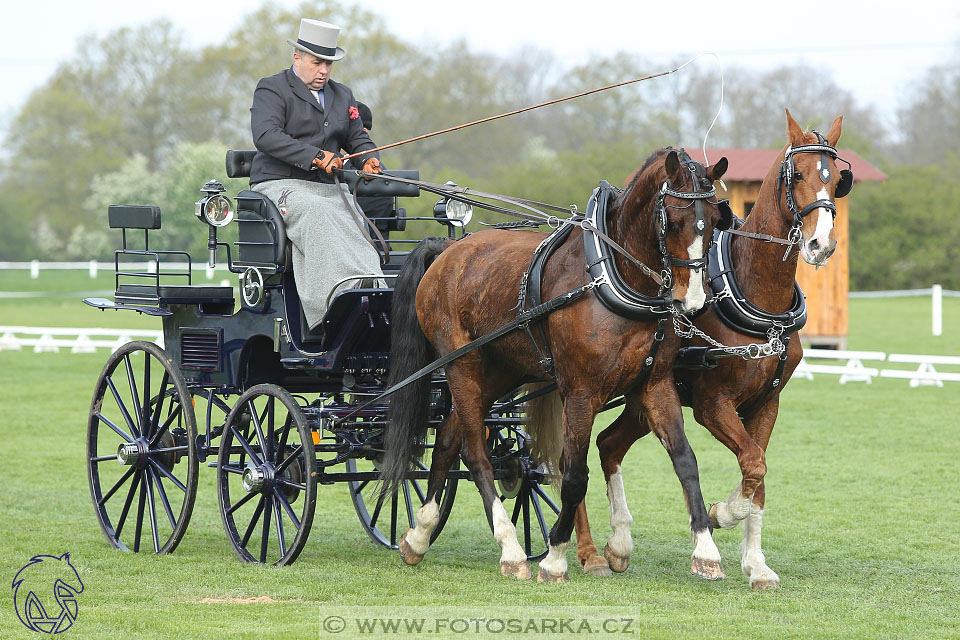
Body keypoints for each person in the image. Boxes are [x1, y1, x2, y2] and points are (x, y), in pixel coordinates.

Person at [249, 18, 384, 330]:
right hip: (277, 183)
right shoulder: (271, 88)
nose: (323, 70)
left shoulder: (343, 95)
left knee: (352, 212)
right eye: (317, 62)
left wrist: (369, 159)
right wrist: (316, 156)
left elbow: (358, 138)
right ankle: (330, 306)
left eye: (329, 64)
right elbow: (266, 135)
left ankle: (370, 291)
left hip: (325, 188)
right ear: (297, 58)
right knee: (318, 211)